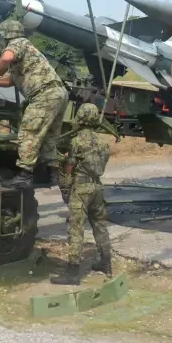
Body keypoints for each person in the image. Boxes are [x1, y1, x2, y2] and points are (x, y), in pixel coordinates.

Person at [0, 18, 68, 188]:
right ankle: (52, 174)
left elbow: (5, 59)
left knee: (29, 132)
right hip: (57, 93)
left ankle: (25, 175)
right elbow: (11, 81)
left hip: (44, 94)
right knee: (50, 136)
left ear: (6, 36)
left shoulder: (18, 43)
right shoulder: (26, 52)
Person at [52, 103, 113, 285]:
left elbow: (69, 166)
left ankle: (72, 272)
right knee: (100, 226)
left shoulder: (76, 141)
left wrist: (64, 174)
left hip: (81, 189)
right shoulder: (103, 143)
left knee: (76, 228)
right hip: (97, 187)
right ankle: (106, 263)